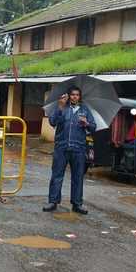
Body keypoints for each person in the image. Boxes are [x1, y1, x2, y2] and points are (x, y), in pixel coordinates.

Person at [43, 86, 96, 215]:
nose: (74, 97)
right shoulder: (62, 108)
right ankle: (53, 201)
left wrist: (87, 124)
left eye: (77, 95)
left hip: (78, 149)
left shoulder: (84, 110)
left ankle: (77, 204)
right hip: (61, 147)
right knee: (57, 175)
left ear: (80, 97)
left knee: (78, 177)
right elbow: (52, 122)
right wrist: (60, 107)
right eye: (72, 95)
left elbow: (93, 127)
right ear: (68, 96)